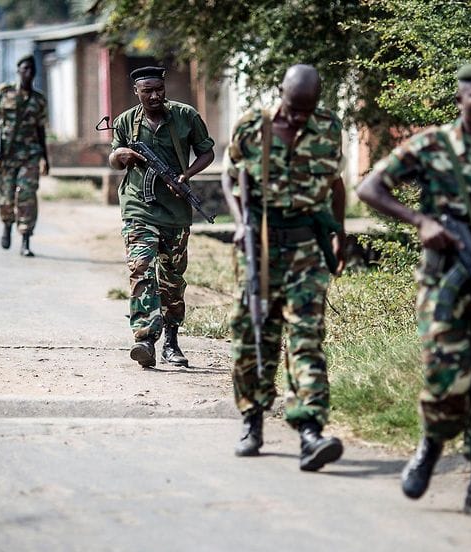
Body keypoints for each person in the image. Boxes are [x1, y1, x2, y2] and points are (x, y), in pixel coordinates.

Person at [356, 61, 471, 521]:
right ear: (460, 99)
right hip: (445, 285)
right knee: (447, 379)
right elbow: (369, 187)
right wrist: (422, 221)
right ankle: (432, 445)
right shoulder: (432, 147)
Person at [220, 64, 347, 472]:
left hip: (306, 247)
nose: (299, 118)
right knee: (253, 330)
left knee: (306, 337)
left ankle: (310, 430)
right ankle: (252, 419)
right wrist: (240, 223)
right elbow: (229, 176)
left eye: (307, 109)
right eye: (294, 108)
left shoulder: (328, 127)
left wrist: (338, 233)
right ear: (280, 93)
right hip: (259, 244)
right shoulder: (252, 127)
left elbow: (336, 184)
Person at [108, 66, 215, 369]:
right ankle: (144, 338)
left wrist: (187, 175)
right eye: (148, 91)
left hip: (176, 211)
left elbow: (207, 152)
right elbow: (114, 158)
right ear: (137, 92)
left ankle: (171, 340)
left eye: (159, 89)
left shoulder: (185, 116)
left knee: (172, 280)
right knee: (141, 268)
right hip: (138, 206)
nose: (155, 95)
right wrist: (123, 155)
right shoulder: (126, 121)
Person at [0, 54, 50, 257]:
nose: (28, 73)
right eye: (25, 69)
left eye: (32, 69)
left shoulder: (39, 100)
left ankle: (25, 239)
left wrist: (45, 158)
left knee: (27, 195)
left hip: (30, 154)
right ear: (18, 70)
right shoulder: (4, 92)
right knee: (5, 197)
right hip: (7, 154)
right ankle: (7, 225)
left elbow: (41, 130)